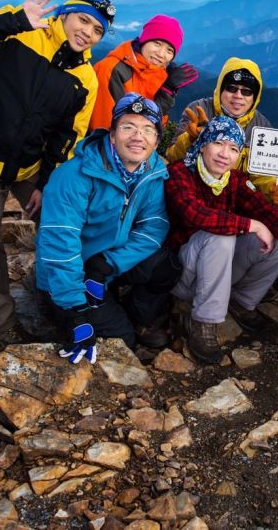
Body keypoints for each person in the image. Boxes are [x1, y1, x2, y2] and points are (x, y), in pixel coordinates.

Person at [0, 0, 114, 344]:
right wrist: (15, 19)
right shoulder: (20, 33)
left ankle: (58, 293)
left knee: (62, 220)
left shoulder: (85, 78)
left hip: (28, 164)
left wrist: (45, 184)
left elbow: (67, 138)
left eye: (97, 30)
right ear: (65, 14)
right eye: (83, 20)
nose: (87, 32)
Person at [37, 94, 175, 363]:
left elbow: (154, 227)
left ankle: (136, 316)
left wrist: (106, 264)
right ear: (112, 134)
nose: (138, 136)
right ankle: (84, 311)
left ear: (157, 141)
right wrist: (75, 311)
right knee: (122, 341)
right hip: (67, 278)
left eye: (148, 130)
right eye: (128, 127)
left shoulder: (152, 173)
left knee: (165, 265)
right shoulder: (74, 176)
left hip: (103, 269)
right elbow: (58, 244)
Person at [164, 116, 278, 363]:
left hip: (215, 271)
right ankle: (203, 320)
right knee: (223, 236)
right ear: (204, 144)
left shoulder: (235, 180)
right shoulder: (179, 173)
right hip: (181, 274)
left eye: (233, 149)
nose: (224, 154)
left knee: (271, 240)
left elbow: (265, 210)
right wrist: (250, 224)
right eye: (218, 143)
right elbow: (195, 214)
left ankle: (240, 302)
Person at [165, 57, 278, 206]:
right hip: (195, 195)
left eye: (247, 91)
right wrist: (190, 140)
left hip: (236, 200)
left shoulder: (261, 127)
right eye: (231, 88)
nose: (238, 95)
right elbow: (173, 158)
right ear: (220, 89)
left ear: (255, 97)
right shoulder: (199, 110)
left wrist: (271, 189)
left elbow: (261, 173)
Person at [89, 15, 198, 130]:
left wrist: (167, 91)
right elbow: (102, 128)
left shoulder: (161, 76)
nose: (161, 54)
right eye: (157, 43)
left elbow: (155, 128)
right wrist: (165, 94)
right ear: (144, 41)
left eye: (169, 50)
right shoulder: (110, 69)